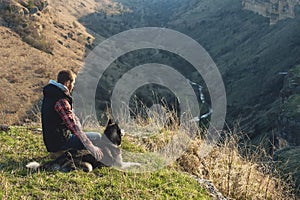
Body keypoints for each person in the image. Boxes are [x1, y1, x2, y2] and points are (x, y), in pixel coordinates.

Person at [41, 69, 103, 161]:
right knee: (97, 136)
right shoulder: (61, 100)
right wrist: (91, 147)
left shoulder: (51, 95)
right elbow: (73, 127)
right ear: (67, 83)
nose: (72, 87)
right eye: (72, 84)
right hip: (61, 143)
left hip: (51, 142)